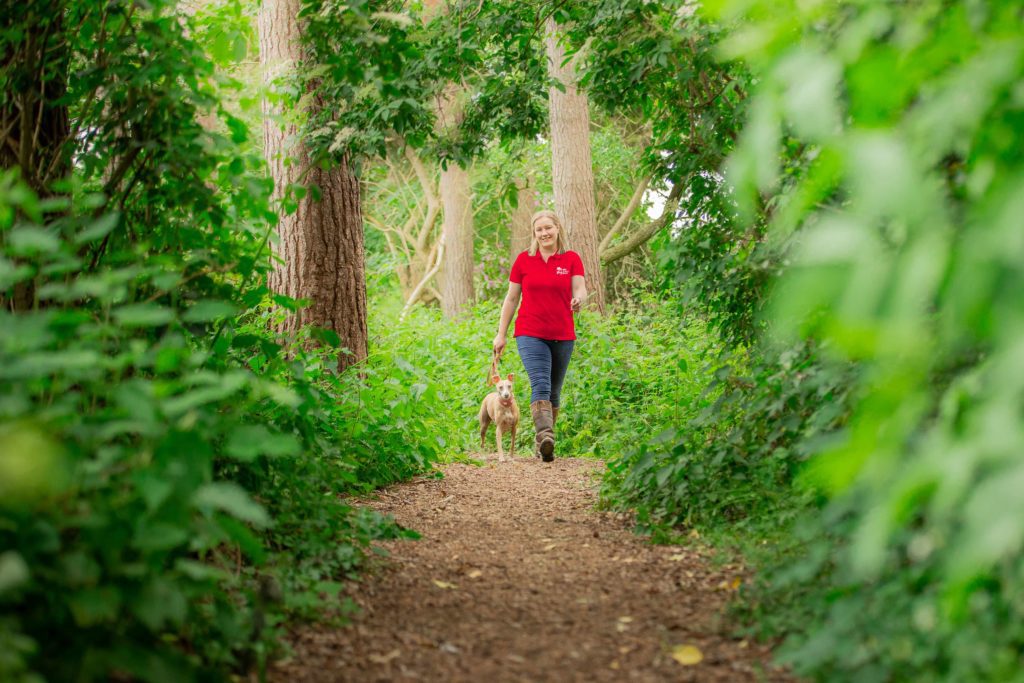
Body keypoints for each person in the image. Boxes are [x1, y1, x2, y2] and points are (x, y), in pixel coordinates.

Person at [493, 210, 587, 462]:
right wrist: (500, 334)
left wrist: (578, 300)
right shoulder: (524, 260)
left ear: (557, 228)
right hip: (529, 332)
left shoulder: (571, 259)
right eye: (539, 230)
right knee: (541, 383)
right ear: (534, 234)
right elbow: (511, 298)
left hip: (563, 333)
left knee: (554, 392)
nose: (544, 233)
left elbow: (580, 288)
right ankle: (545, 436)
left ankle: (544, 444)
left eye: (548, 228)